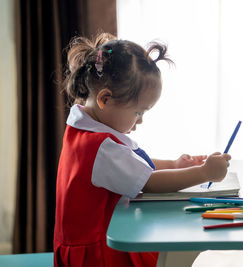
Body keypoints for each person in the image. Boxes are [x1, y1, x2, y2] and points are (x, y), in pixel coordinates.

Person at [53, 33, 231, 267]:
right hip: (97, 255)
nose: (140, 121)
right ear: (105, 99)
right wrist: (204, 174)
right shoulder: (101, 147)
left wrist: (174, 165)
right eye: (139, 112)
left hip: (93, 242)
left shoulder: (84, 125)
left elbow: (131, 164)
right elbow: (147, 181)